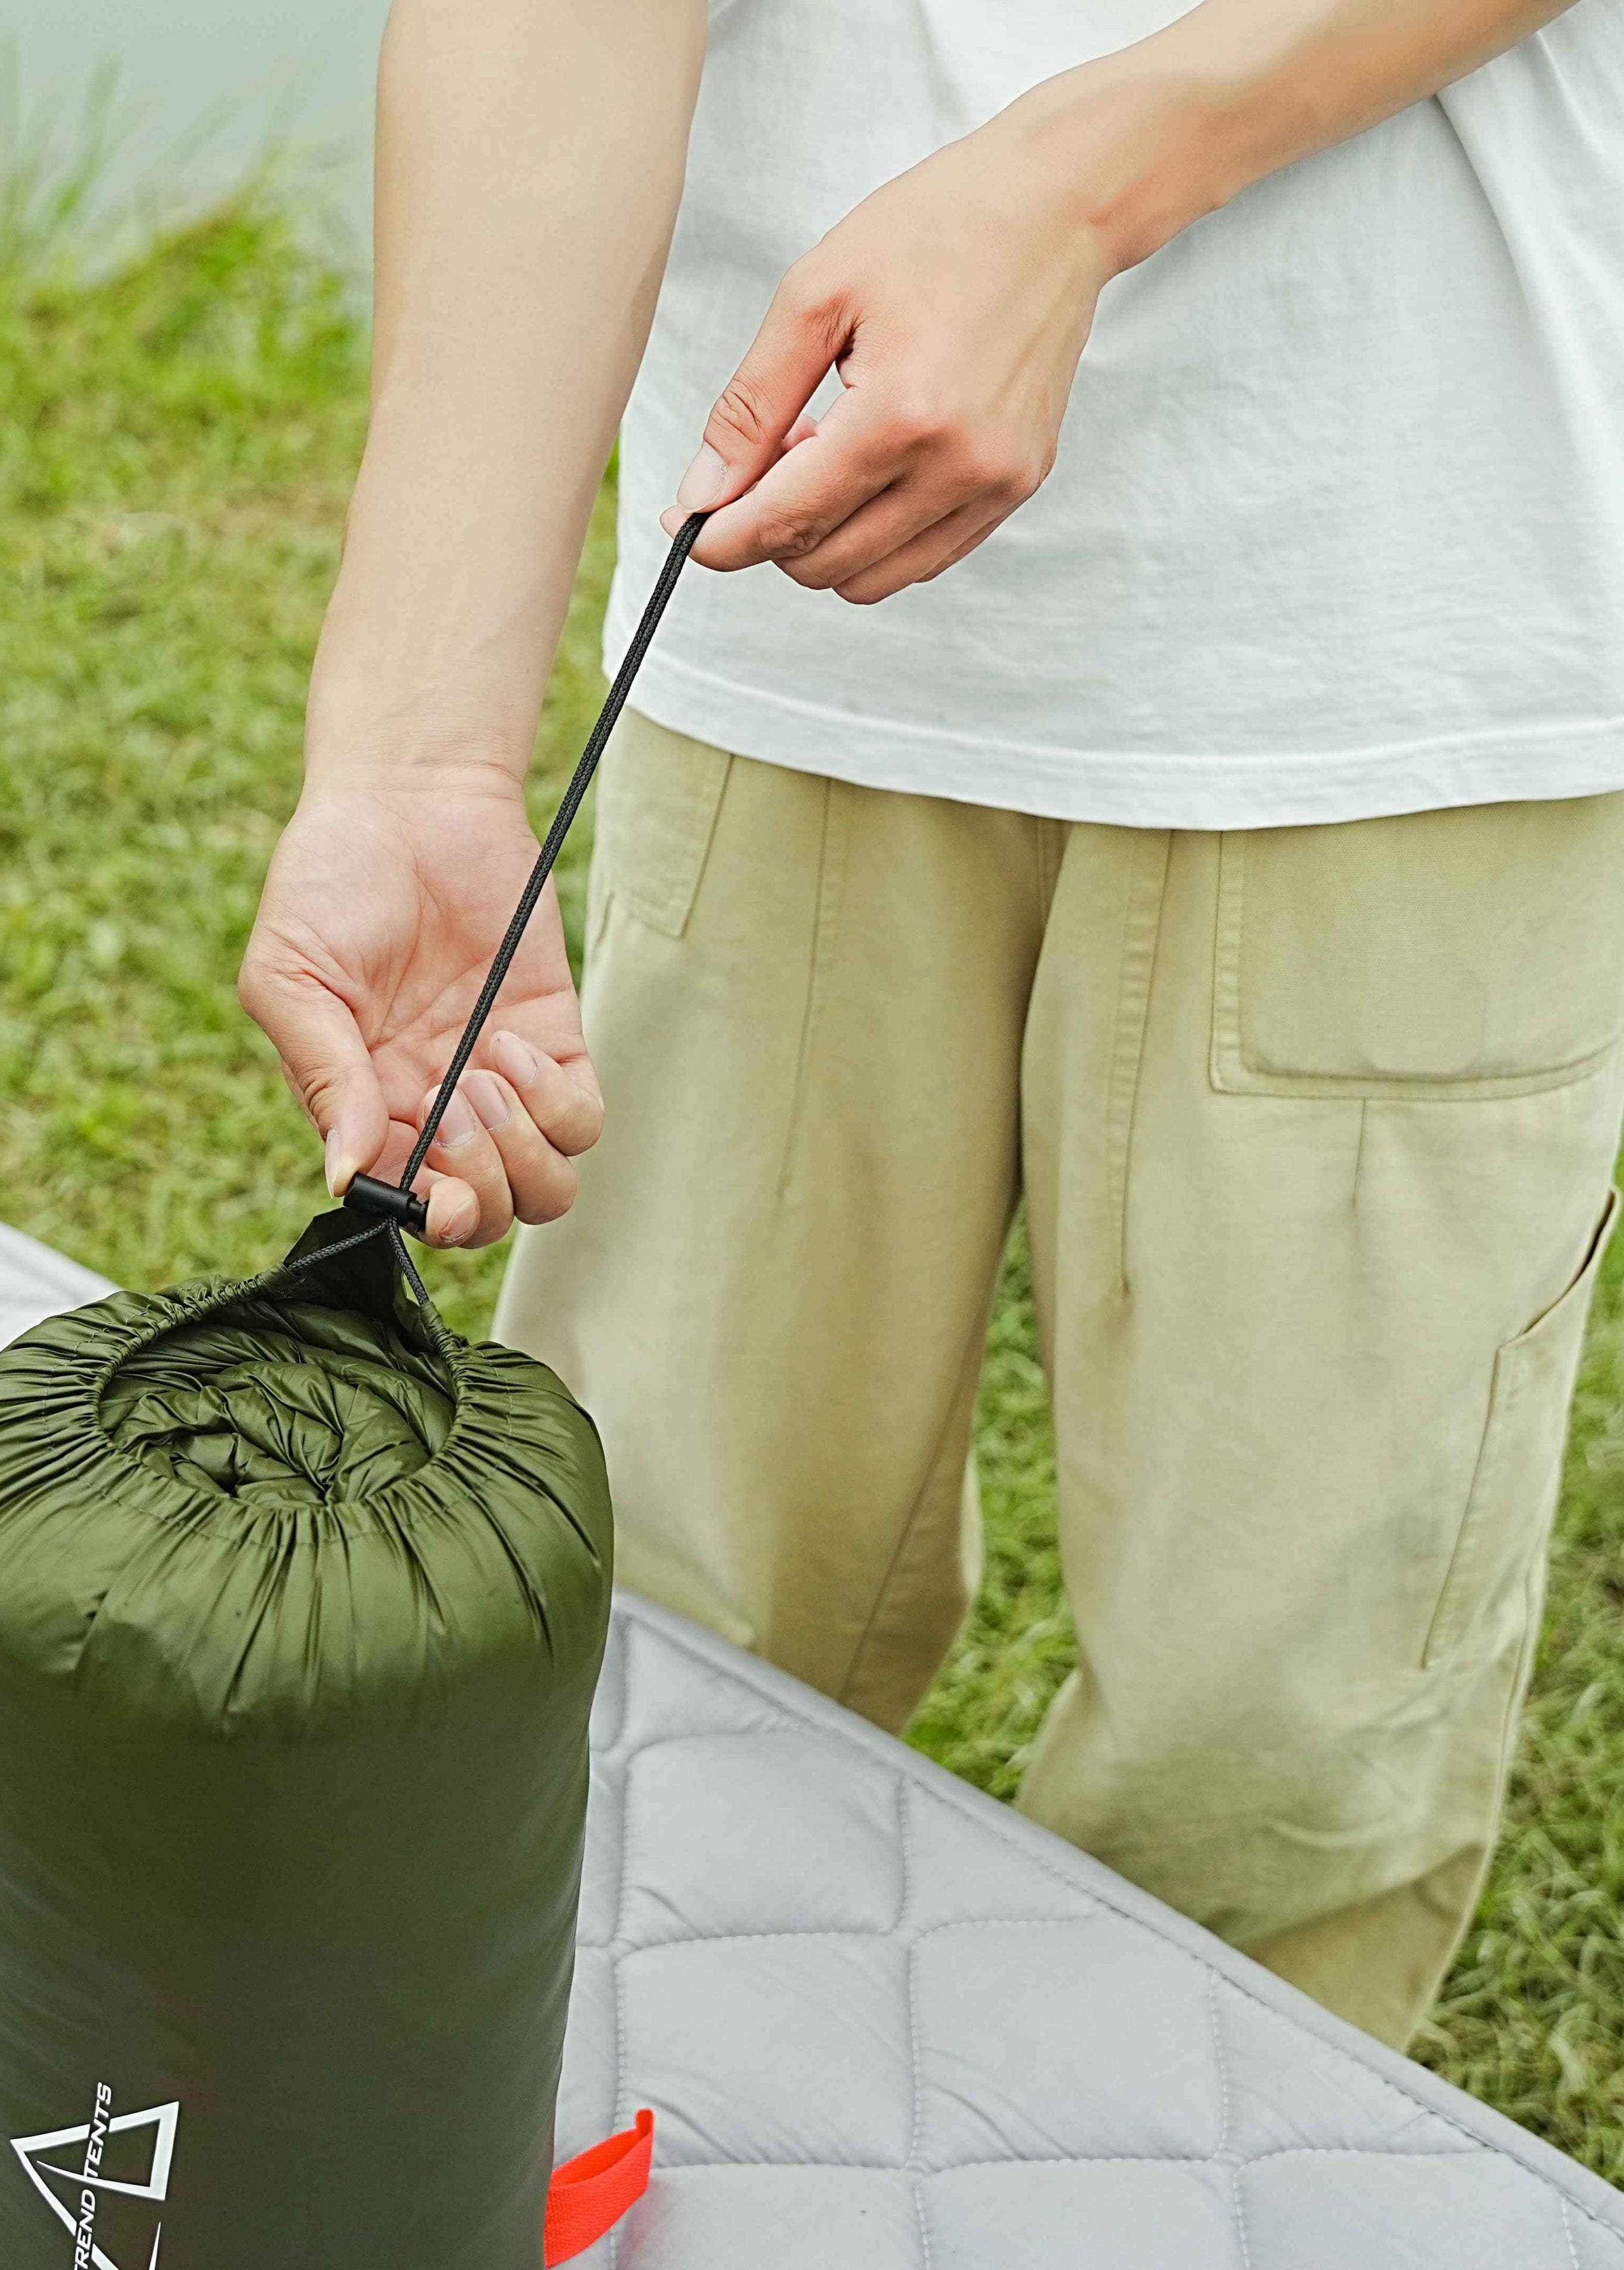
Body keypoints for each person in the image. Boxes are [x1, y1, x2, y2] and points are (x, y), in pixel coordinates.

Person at [239, 0, 1624, 2049]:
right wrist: (416, 754)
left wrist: (1077, 184)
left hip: (1403, 638)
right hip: (790, 620)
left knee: (1272, 1754)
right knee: (659, 1630)